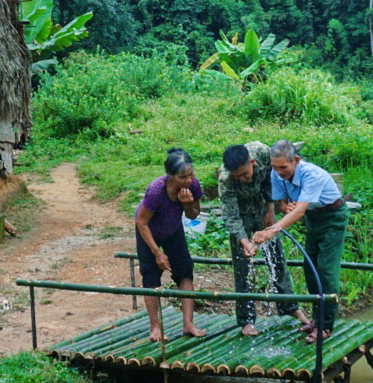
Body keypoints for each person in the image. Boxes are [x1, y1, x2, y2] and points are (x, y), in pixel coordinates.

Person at [252, 140, 347, 344]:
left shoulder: (312, 174)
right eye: (275, 167)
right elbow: (282, 204)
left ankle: (326, 326)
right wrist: (285, 207)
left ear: (296, 160)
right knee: (310, 268)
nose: (279, 172)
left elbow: (300, 210)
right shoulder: (276, 174)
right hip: (313, 218)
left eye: (283, 167)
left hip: (333, 218)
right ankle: (316, 319)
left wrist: (272, 230)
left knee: (326, 271)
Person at [219, 142, 313, 337]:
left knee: (277, 259)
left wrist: (271, 210)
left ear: (252, 162)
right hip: (242, 215)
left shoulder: (263, 153)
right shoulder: (226, 179)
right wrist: (244, 240)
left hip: (263, 207)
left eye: (245, 174)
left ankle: (290, 307)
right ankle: (246, 320)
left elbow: (273, 181)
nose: (243, 180)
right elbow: (230, 215)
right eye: (238, 177)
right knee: (242, 266)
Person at [135, 148, 207, 342]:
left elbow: (193, 215)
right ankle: (155, 326)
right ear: (171, 177)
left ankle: (188, 323)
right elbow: (141, 222)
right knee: (150, 275)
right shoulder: (156, 190)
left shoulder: (193, 185)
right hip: (149, 231)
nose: (189, 180)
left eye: (191, 174)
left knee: (184, 270)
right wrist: (157, 252)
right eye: (183, 177)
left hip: (173, 229)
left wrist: (187, 204)